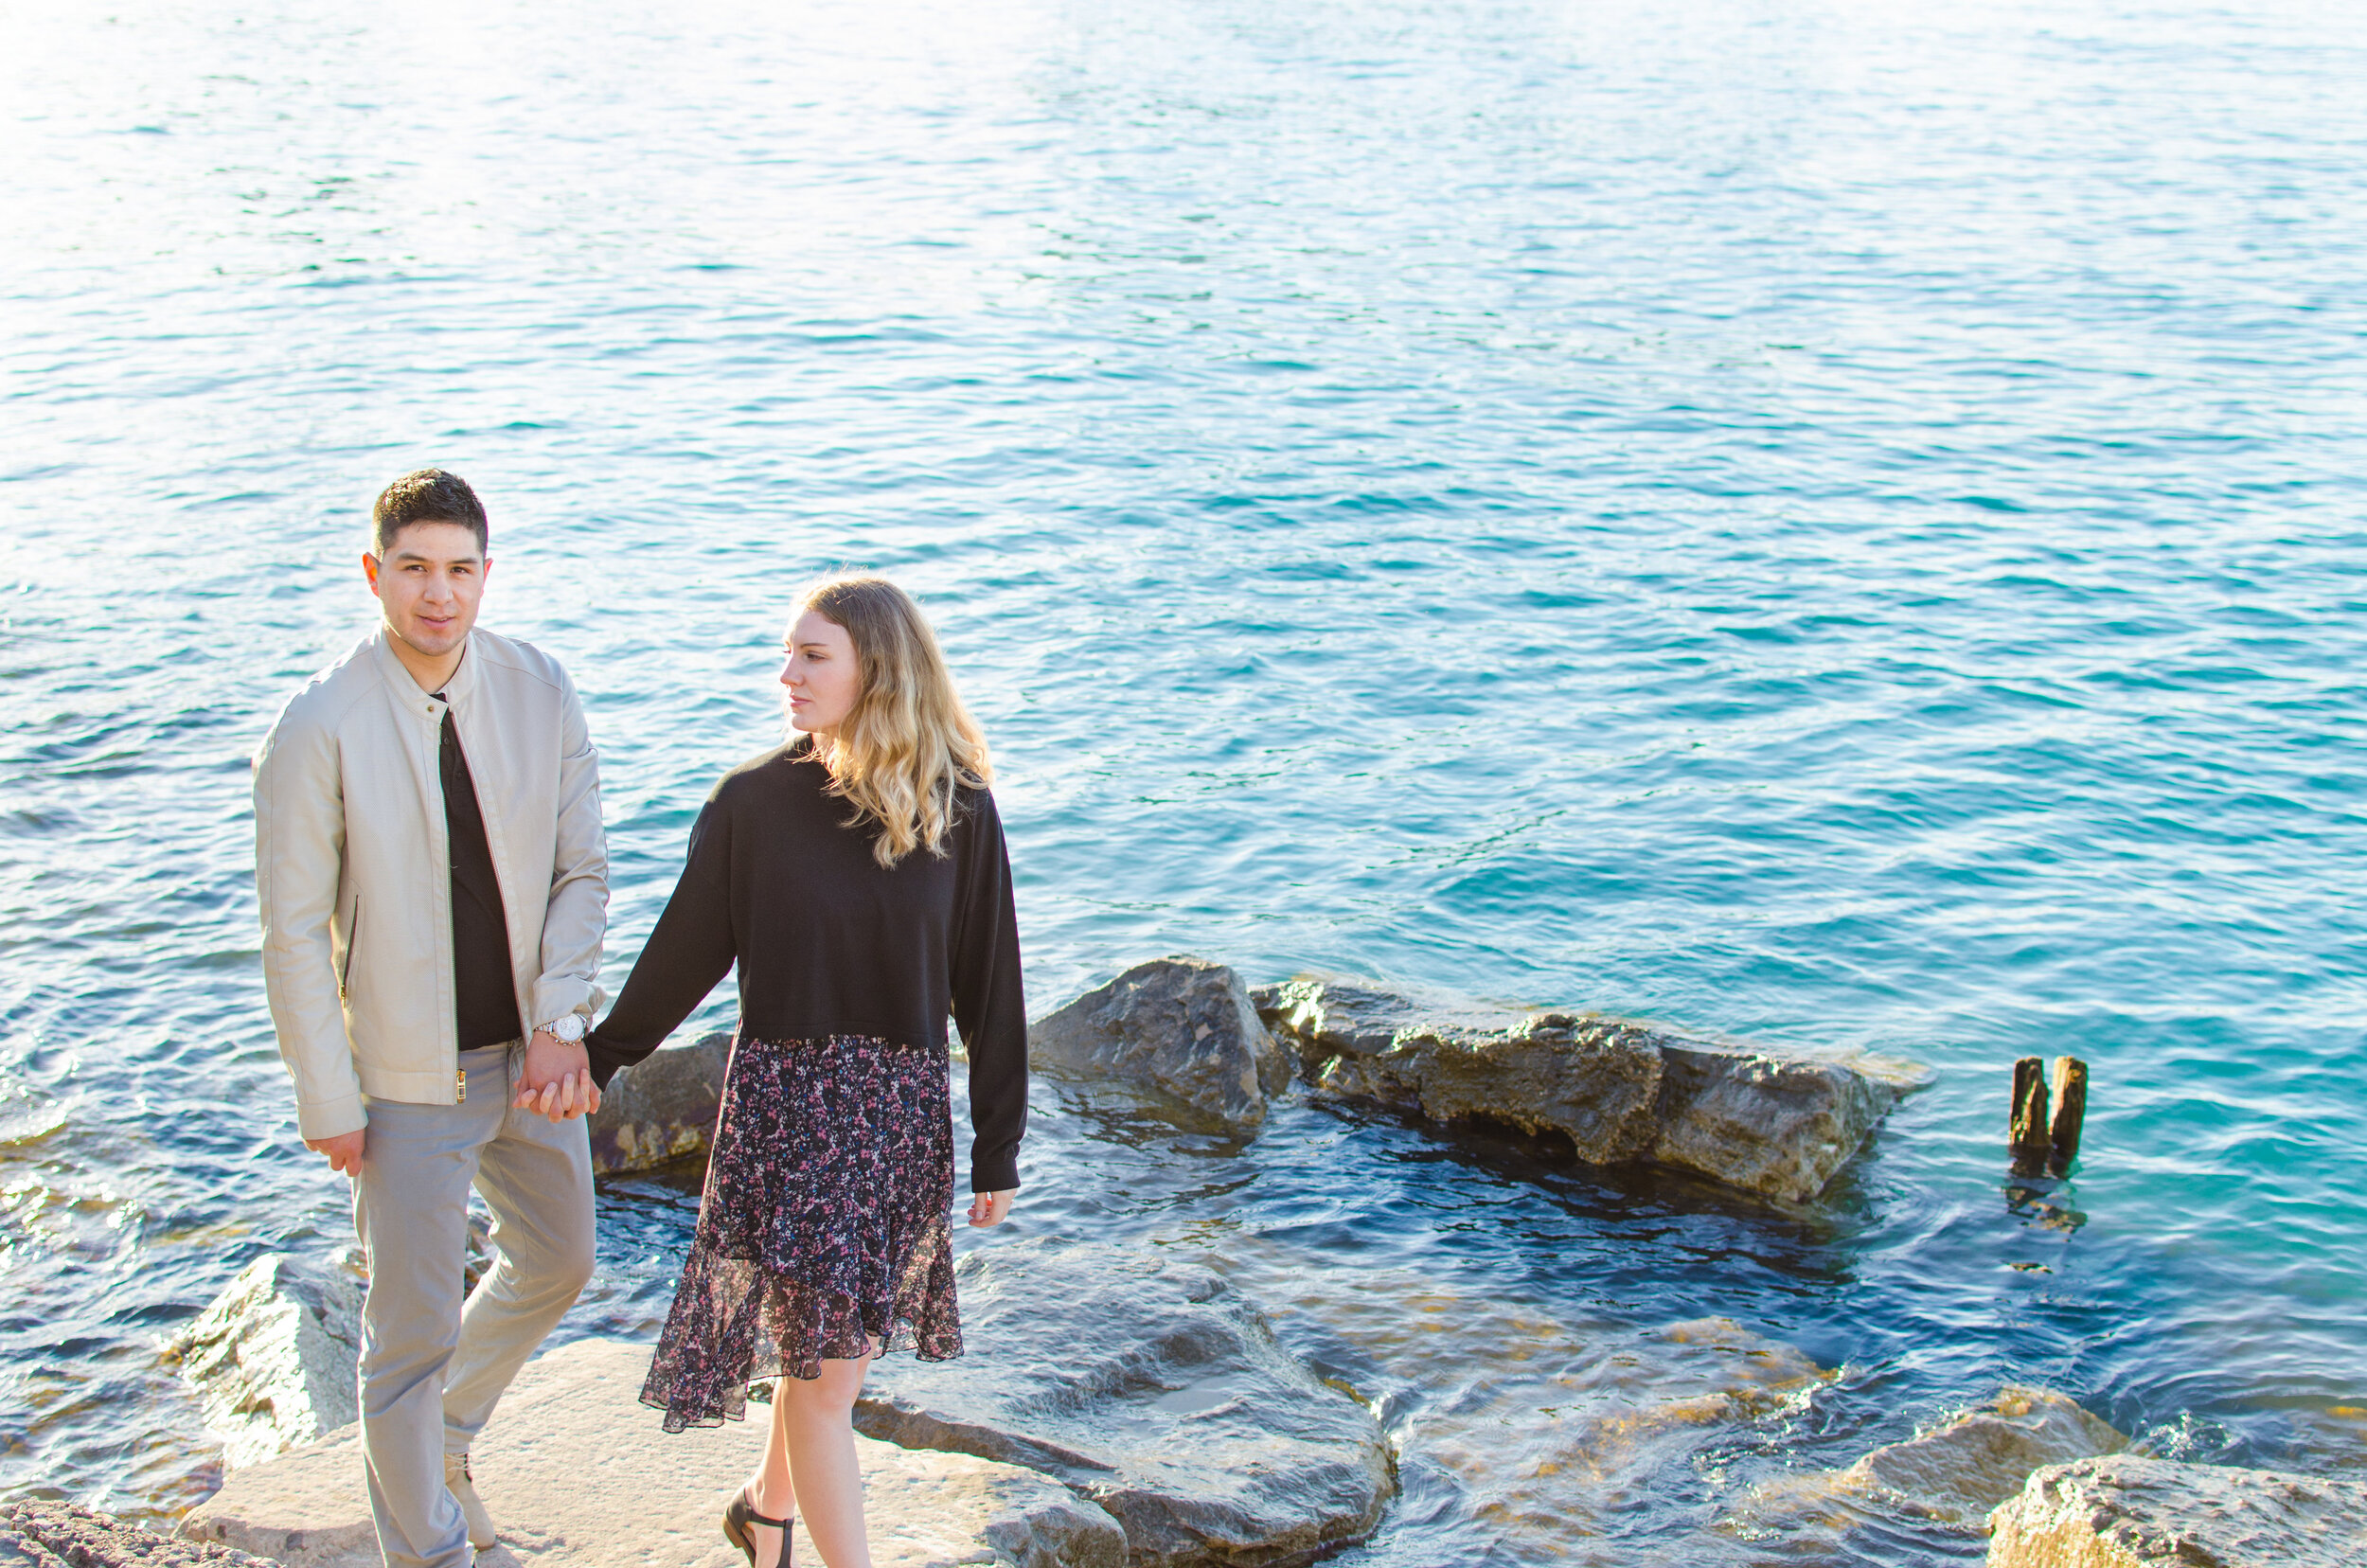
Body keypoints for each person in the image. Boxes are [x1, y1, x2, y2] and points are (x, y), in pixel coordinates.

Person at [585, 575, 1027, 1568]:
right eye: (786, 654)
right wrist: (593, 1060)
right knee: (827, 1374)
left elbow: (989, 986)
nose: (786, 674)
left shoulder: (958, 809)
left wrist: (999, 1143)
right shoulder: (752, 803)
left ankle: (765, 1510)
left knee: (835, 1361)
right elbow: (683, 957)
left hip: (899, 1119)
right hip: (789, 1116)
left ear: (877, 666)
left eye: (812, 656)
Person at [252, 469, 609, 1568]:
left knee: (561, 1261)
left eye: (459, 570)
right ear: (375, 575)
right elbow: (293, 933)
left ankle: (442, 1437)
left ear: (486, 574)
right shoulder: (318, 725)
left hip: (531, 1060)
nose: (437, 595)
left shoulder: (539, 687)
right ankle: (431, 1551)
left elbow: (582, 872)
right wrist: (329, 1098)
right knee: (406, 1339)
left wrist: (561, 1020)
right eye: (413, 570)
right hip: (404, 1082)